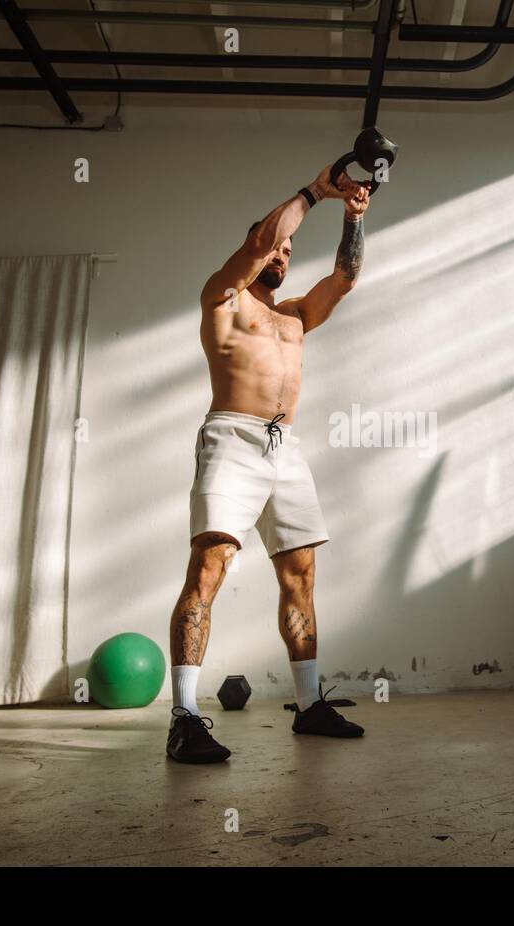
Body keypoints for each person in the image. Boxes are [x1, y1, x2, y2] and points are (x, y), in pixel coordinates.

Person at [166, 165, 371, 764]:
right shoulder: (223, 298)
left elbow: (346, 277)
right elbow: (260, 241)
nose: (283, 252)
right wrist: (316, 189)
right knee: (210, 566)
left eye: (289, 249)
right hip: (232, 436)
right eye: (276, 243)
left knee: (300, 575)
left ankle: (308, 707)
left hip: (287, 447)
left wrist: (353, 214)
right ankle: (184, 718)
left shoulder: (296, 316)